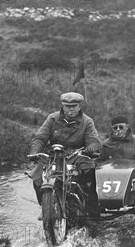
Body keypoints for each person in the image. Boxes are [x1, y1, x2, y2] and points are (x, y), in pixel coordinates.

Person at [29, 92, 102, 226]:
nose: (71, 109)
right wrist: (35, 152)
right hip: (55, 156)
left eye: (74, 106)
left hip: (77, 156)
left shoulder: (87, 121)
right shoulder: (52, 119)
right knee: (36, 175)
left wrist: (90, 149)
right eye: (68, 106)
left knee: (89, 174)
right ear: (62, 106)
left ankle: (91, 213)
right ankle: (46, 208)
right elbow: (40, 137)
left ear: (79, 106)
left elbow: (94, 141)